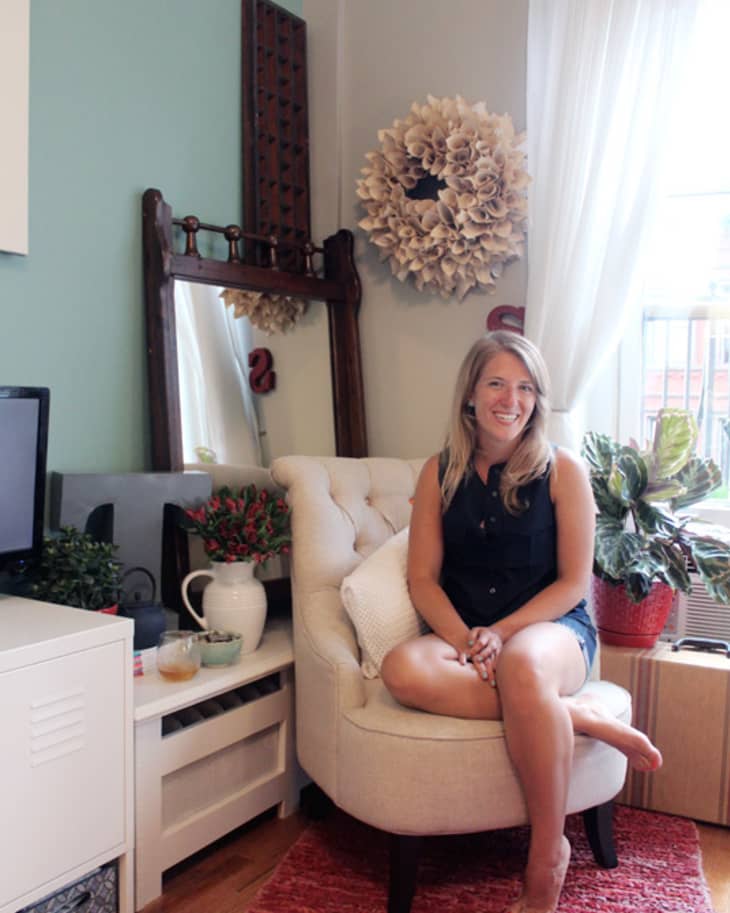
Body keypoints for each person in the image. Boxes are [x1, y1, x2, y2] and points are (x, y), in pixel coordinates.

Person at [380, 331, 662, 913]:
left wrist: (502, 635)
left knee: (526, 666)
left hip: (552, 629)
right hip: (470, 635)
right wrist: (466, 639)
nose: (511, 399)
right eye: (497, 384)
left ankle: (545, 858)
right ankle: (575, 716)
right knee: (401, 669)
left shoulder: (563, 471)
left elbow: (570, 583)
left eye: (526, 388)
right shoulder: (439, 472)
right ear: (471, 394)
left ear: (538, 400)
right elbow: (423, 581)